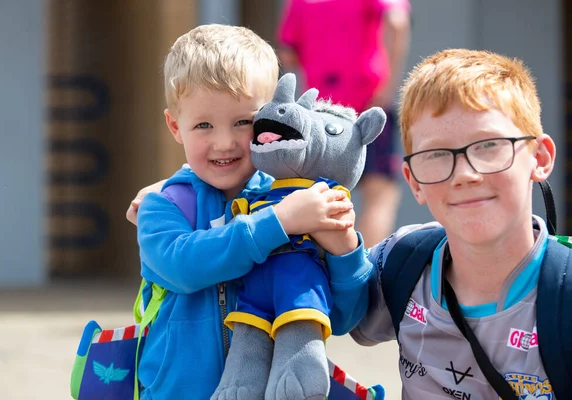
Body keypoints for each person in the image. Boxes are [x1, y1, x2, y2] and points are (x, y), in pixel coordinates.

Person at [133, 24, 369, 400]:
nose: (224, 141)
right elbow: (184, 267)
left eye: (243, 121)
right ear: (176, 127)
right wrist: (278, 224)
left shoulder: (304, 197)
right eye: (203, 125)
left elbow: (344, 317)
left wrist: (345, 250)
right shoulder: (163, 205)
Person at [332, 49, 562, 398]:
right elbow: (322, 312)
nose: (466, 174)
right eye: (437, 155)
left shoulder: (565, 293)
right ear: (413, 181)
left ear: (540, 158)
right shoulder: (401, 261)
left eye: (488, 145)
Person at [276, 0, 411, 246]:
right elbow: (397, 21)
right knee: (380, 195)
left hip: (321, 112)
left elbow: (287, 54)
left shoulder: (299, 2)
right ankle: (368, 267)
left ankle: (326, 271)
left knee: (321, 196)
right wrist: (388, 86)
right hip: (368, 107)